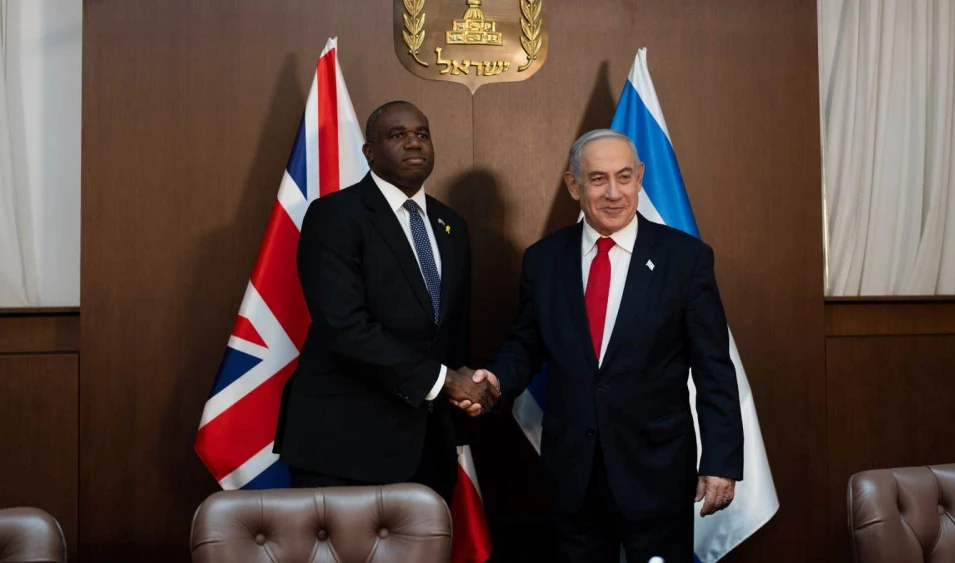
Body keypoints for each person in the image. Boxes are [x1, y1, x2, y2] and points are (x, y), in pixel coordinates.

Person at [461, 129, 743, 562]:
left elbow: (714, 368)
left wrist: (721, 459)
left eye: (624, 177)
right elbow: (526, 344)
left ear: (640, 178)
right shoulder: (544, 260)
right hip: (573, 470)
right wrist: (495, 379)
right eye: (597, 179)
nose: (614, 192)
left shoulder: (685, 259)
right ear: (573, 185)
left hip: (657, 470)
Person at [274, 101, 497, 504]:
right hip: (344, 446)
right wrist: (446, 380)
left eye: (422, 134)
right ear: (370, 152)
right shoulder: (335, 216)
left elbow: (450, 331)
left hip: (429, 446)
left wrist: (465, 398)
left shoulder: (452, 226)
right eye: (398, 135)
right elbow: (344, 326)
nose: (414, 144)